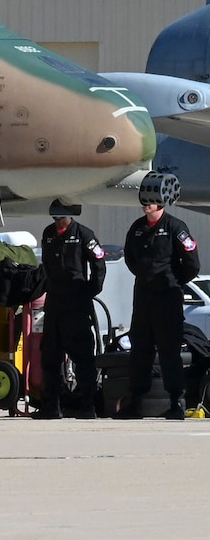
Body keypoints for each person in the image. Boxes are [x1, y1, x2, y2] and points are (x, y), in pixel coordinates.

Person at [118, 172, 200, 420]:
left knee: (169, 352)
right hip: (143, 299)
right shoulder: (138, 229)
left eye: (150, 202)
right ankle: (135, 403)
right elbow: (131, 259)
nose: (146, 206)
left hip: (167, 299)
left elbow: (192, 263)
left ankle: (176, 402)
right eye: (144, 202)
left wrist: (173, 282)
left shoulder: (176, 228)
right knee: (140, 351)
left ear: (161, 203)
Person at [34, 200, 106, 419]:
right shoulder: (48, 234)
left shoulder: (84, 234)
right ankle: (52, 405)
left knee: (83, 356)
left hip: (76, 303)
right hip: (55, 302)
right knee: (50, 355)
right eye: (54, 219)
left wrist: (88, 292)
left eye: (60, 218)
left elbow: (99, 266)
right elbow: (46, 265)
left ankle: (87, 405)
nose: (57, 223)